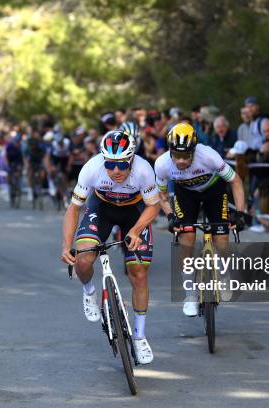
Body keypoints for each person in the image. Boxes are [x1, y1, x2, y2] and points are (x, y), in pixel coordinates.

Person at [60, 130, 160, 364]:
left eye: (122, 165)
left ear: (132, 159)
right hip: (101, 208)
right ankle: (89, 293)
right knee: (83, 259)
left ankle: (139, 336)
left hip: (134, 213)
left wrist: (135, 230)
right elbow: (73, 208)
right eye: (110, 164)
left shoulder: (144, 170)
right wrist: (66, 245)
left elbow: (153, 206)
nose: (116, 170)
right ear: (103, 159)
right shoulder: (92, 168)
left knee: (139, 273)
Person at [154, 123, 246, 316]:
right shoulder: (162, 164)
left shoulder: (209, 156)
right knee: (185, 239)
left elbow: (235, 181)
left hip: (214, 192)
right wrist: (171, 216)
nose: (179, 161)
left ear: (194, 151)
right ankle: (190, 294)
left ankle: (224, 273)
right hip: (185, 195)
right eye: (176, 155)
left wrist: (239, 213)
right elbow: (161, 195)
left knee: (221, 240)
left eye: (185, 156)